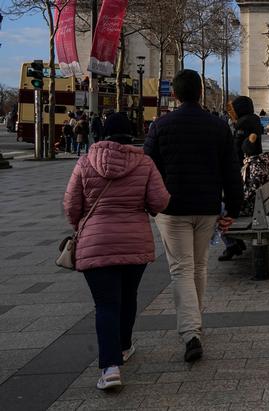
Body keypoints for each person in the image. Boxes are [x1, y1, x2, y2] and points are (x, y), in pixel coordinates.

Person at [63, 112, 170, 390]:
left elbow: (71, 206)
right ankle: (123, 346)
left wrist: (86, 224)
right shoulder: (144, 163)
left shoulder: (85, 162)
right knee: (128, 295)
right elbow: (159, 202)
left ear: (102, 134)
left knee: (106, 304)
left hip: (95, 243)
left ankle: (110, 368)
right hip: (134, 240)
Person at [144, 69, 243, 363]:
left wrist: (149, 204)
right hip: (207, 207)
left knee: (181, 269)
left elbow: (148, 170)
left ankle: (190, 333)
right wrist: (233, 210)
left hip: (171, 208)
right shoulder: (217, 126)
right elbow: (231, 172)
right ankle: (195, 325)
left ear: (174, 94)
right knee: (198, 267)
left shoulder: (160, 126)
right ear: (200, 92)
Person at [217, 96, 267, 262]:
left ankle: (232, 244)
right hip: (252, 184)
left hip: (243, 176)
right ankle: (234, 243)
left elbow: (236, 149)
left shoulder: (243, 124)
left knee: (215, 208)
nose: (232, 113)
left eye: (234, 109)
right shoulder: (254, 120)